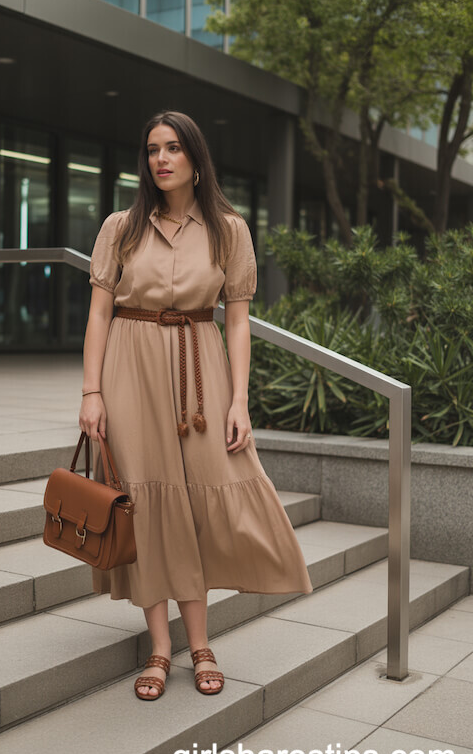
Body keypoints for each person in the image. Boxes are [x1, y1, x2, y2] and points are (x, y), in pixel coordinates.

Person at [79, 110, 313, 702]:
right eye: (153, 149)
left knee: (204, 497)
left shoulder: (229, 229)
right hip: (130, 369)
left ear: (196, 158)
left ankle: (202, 640)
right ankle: (161, 648)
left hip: (200, 370)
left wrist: (241, 399)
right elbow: (100, 315)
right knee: (147, 502)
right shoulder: (120, 227)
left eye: (174, 148)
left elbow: (238, 321)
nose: (162, 159)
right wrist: (91, 392)